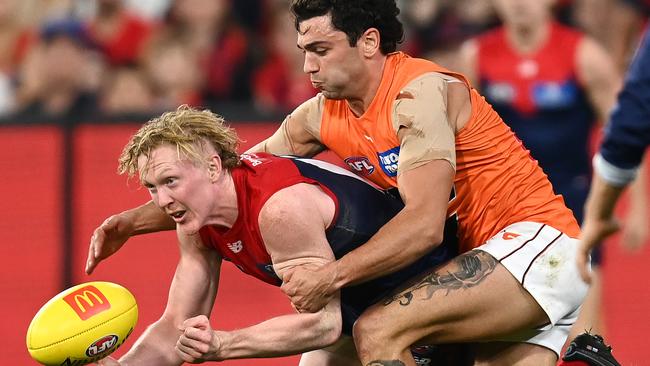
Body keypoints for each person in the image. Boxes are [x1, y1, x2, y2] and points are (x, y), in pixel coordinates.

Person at [88, 1, 588, 364]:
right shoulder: (322, 114)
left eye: (322, 50)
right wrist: (133, 221)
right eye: (304, 50)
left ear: (369, 42)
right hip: (489, 266)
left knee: (376, 329)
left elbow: (423, 227)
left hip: (534, 246)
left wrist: (331, 276)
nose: (308, 65)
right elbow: (225, 177)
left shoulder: (419, 95)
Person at [92, 105, 462, 365]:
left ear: (212, 166)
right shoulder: (196, 222)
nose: (162, 200)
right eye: (151, 187)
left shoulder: (279, 209)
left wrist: (224, 344)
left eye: (170, 181)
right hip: (363, 315)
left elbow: (321, 325)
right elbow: (176, 325)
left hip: (435, 289)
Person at [455, 0, 638, 344]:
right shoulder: (476, 56)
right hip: (507, 207)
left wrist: (640, 207)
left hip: (574, 200)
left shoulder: (583, 54)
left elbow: (624, 134)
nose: (520, 5)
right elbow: (461, 137)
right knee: (509, 333)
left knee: (586, 332)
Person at [577, 29, 650, 282]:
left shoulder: (584, 55)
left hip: (572, 193)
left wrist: (599, 213)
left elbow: (631, 123)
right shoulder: (477, 54)